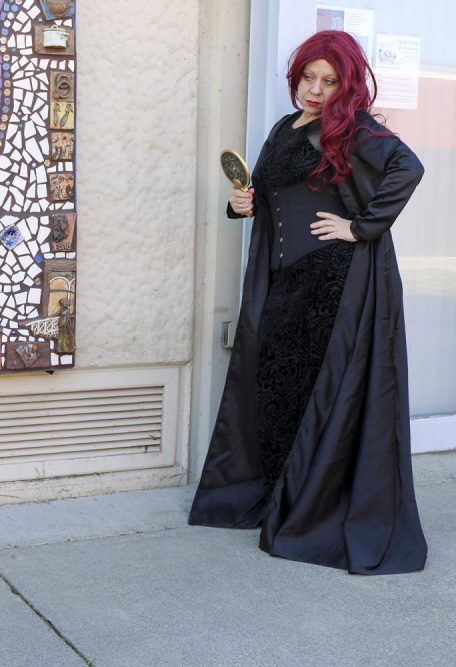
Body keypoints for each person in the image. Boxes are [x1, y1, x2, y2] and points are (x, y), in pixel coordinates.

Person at [188, 30, 427, 575]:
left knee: (313, 396)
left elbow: (407, 168)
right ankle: (279, 497)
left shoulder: (352, 128)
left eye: (329, 80)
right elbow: (277, 196)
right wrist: (243, 204)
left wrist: (361, 227)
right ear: (295, 77)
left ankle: (306, 507)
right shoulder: (284, 128)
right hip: (281, 284)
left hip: (328, 284)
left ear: (347, 85)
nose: (315, 90)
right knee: (275, 391)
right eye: (308, 78)